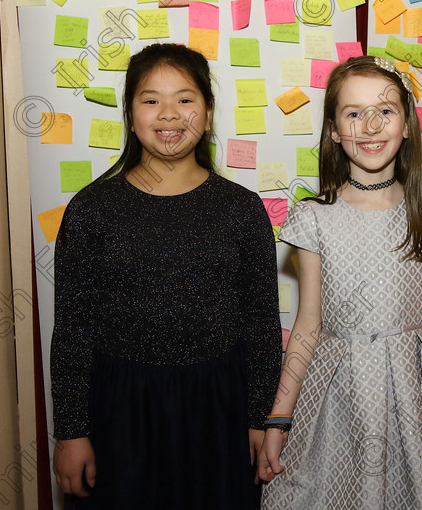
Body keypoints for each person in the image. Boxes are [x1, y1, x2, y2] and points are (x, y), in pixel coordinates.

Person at [50, 43, 281, 509]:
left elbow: (261, 325)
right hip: (122, 408)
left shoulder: (241, 209)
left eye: (186, 99)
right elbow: (72, 329)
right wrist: (71, 432)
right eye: (151, 100)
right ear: (131, 116)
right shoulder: (92, 210)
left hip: (219, 408)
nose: (169, 114)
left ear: (209, 115)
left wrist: (262, 418)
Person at [258, 56, 422, 509]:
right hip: (337, 397)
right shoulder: (315, 218)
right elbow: (308, 325)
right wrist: (278, 417)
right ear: (333, 130)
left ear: (407, 124)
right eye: (354, 113)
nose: (370, 125)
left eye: (385, 111)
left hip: (413, 395)